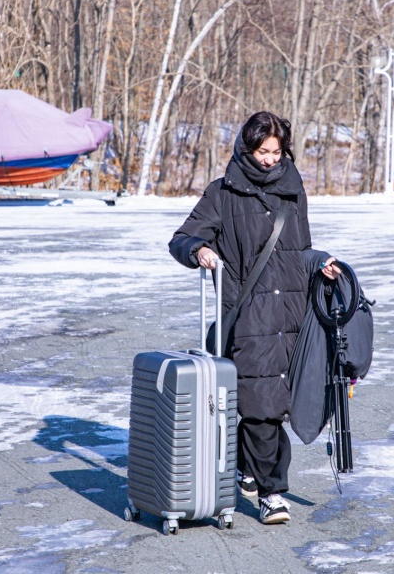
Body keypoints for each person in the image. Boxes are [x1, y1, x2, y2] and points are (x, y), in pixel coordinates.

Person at [169, 111, 340, 525]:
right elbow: (181, 239)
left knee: (277, 405)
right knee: (261, 405)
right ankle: (272, 494)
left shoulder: (293, 189)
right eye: (263, 151)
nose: (270, 159)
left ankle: (248, 466)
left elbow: (299, 249)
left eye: (276, 152)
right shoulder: (222, 193)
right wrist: (199, 250)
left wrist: (320, 262)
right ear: (246, 148)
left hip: (293, 313)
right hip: (249, 317)